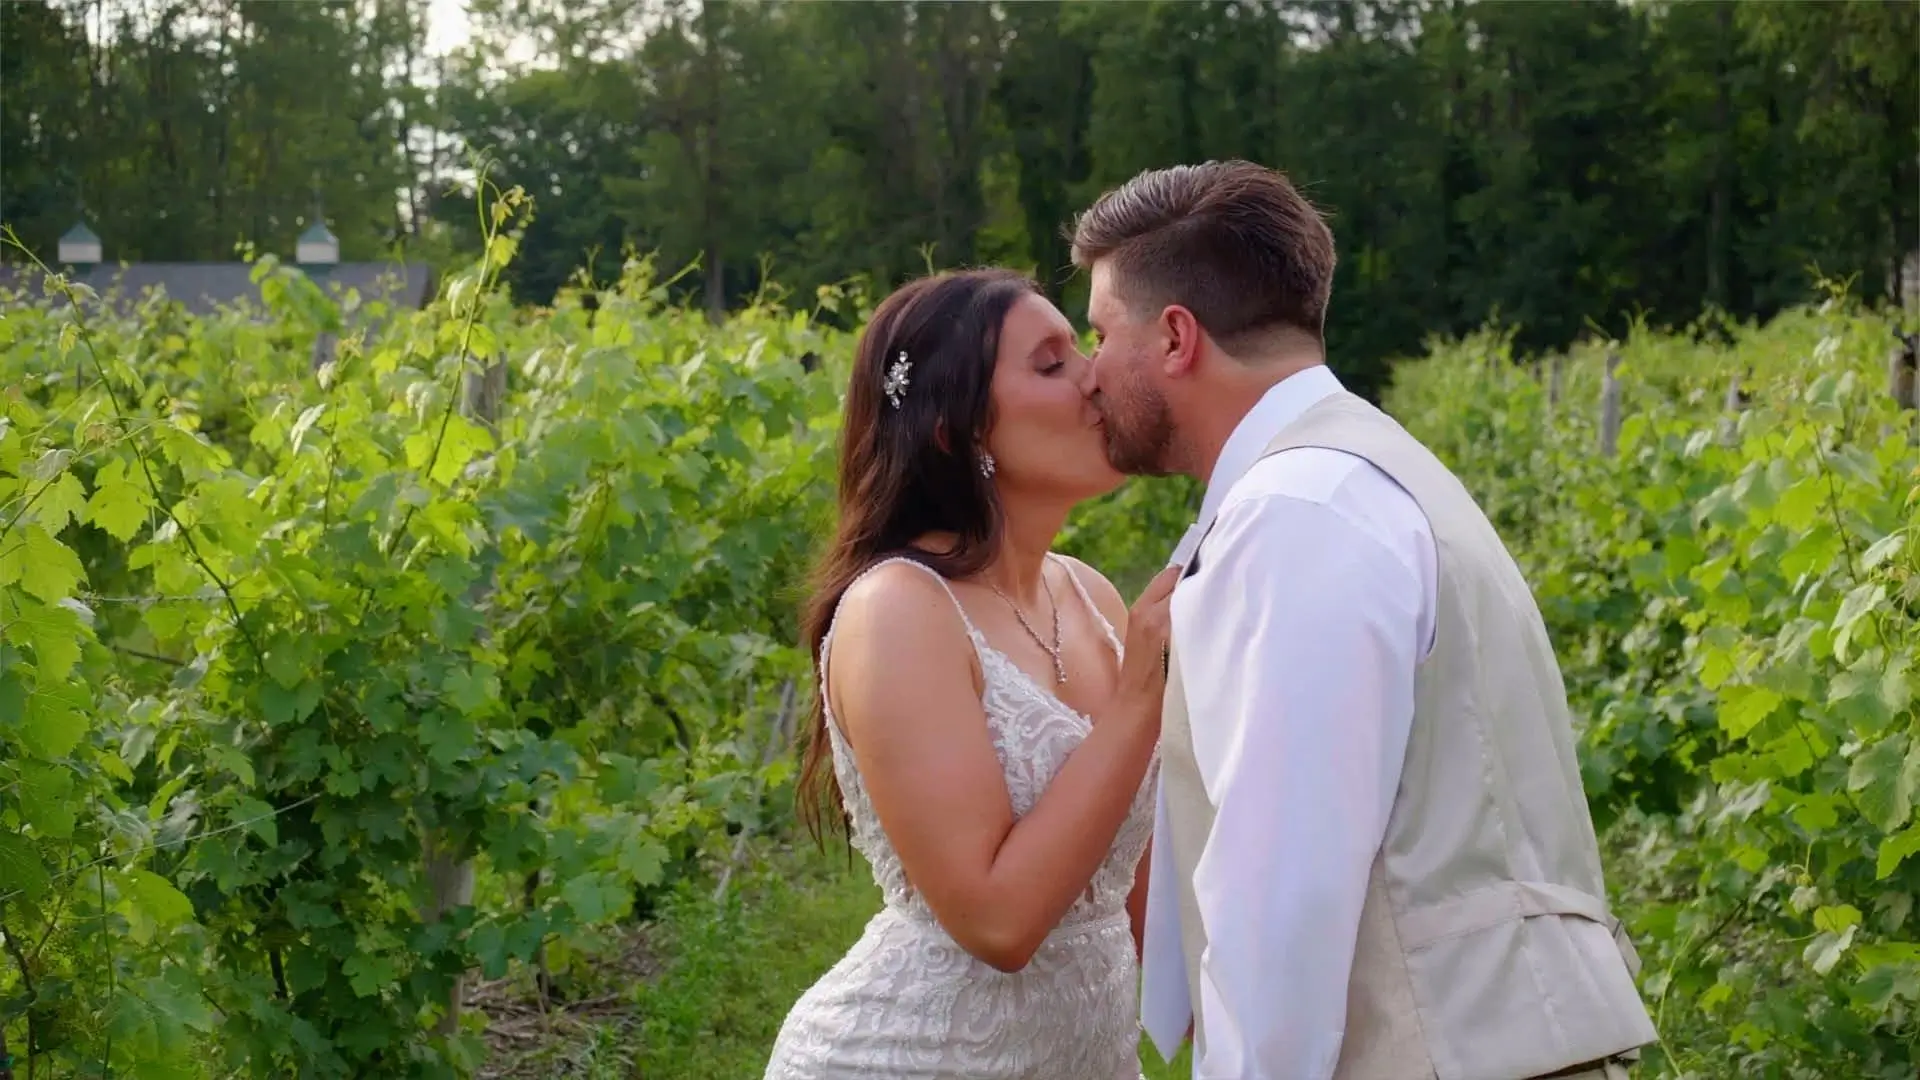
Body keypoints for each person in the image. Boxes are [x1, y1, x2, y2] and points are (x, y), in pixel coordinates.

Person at [1070, 159, 1658, 1080]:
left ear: (1176, 337)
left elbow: (1280, 891)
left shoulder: (1295, 512)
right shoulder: (1370, 470)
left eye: (1101, 332)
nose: (1089, 370)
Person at [763, 267, 1184, 1080]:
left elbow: (1136, 893)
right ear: (959, 433)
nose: (1095, 377)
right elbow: (997, 922)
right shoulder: (899, 610)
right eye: (1052, 364)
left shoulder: (1088, 594)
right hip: (908, 1059)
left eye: (1082, 349)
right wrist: (1139, 704)